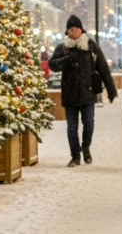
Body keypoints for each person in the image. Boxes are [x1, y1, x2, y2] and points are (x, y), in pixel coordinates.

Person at [47, 15, 117, 167]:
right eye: (71, 30)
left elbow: (103, 67)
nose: (74, 32)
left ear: (81, 30)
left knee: (89, 125)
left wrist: (111, 90)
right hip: (69, 94)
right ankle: (75, 156)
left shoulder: (90, 45)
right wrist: (66, 60)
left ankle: (85, 147)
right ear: (68, 31)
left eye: (76, 29)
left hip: (88, 93)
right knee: (72, 128)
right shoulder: (63, 47)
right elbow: (52, 64)